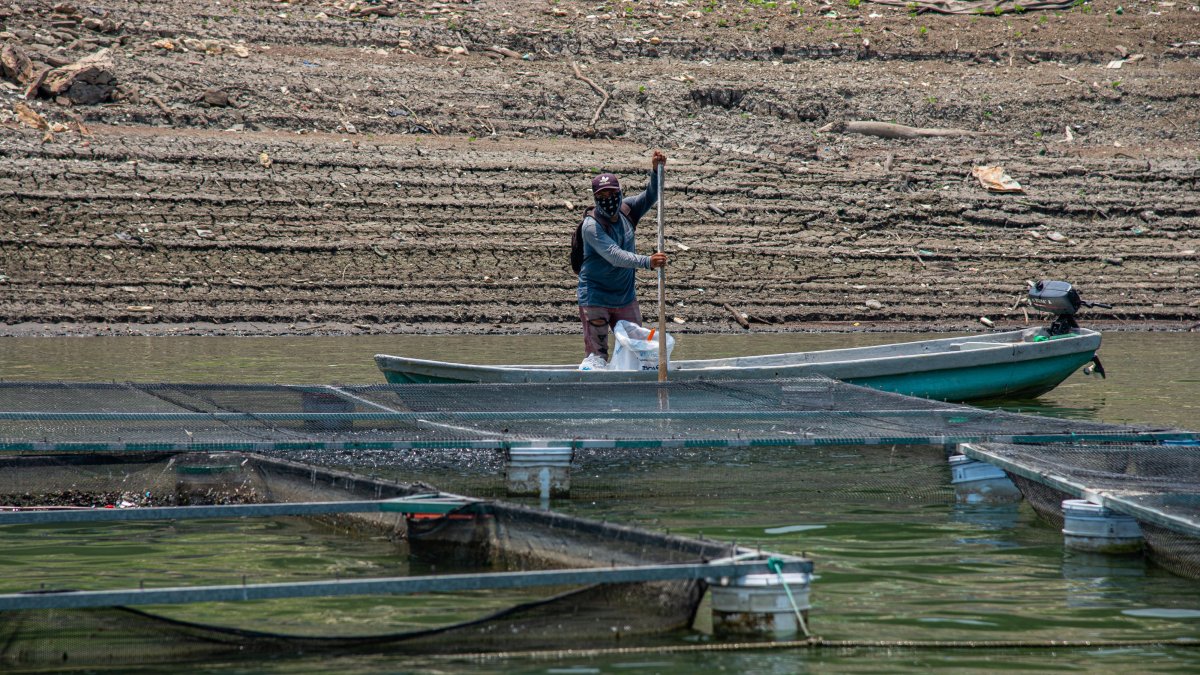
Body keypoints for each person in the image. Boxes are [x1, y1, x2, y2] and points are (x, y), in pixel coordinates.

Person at [577, 150, 669, 364]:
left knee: (639, 353)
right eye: (602, 196)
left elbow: (651, 196)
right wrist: (648, 261)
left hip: (625, 297)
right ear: (595, 198)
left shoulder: (628, 210)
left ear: (619, 193)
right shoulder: (591, 226)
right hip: (595, 298)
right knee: (597, 357)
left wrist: (656, 171)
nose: (608, 200)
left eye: (611, 194)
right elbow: (614, 256)